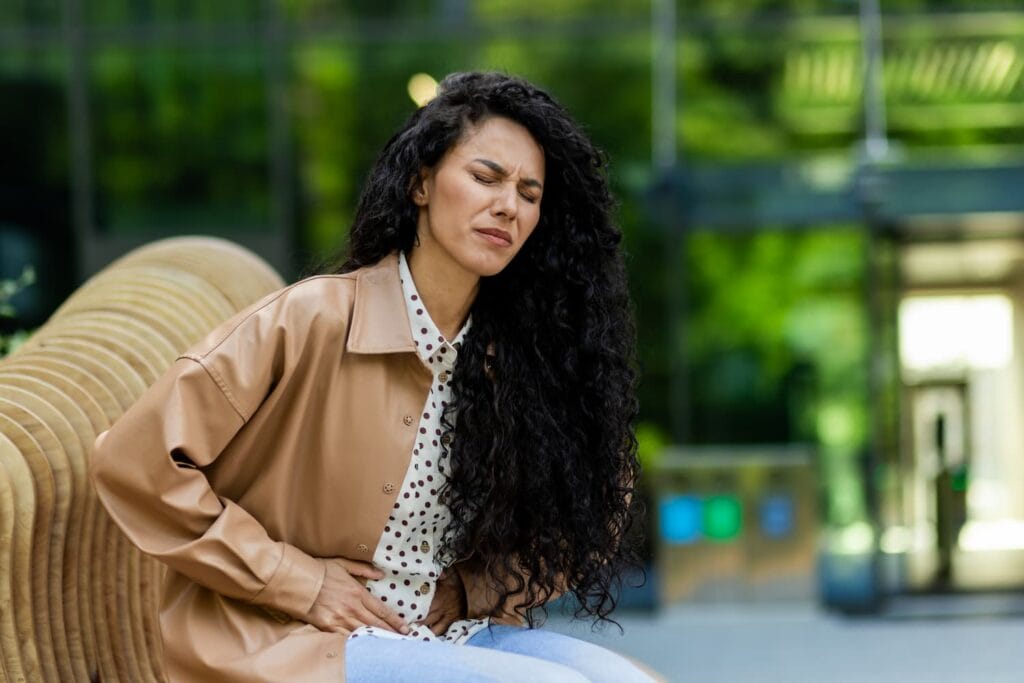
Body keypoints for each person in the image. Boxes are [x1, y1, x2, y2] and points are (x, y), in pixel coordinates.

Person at [91, 71, 651, 682]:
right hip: (294, 640)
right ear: (421, 184)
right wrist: (293, 579)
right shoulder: (312, 321)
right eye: (485, 177)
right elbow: (133, 459)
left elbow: (596, 500)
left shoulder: (515, 361)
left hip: (442, 635)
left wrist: (469, 592)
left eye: (529, 192)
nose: (507, 205)